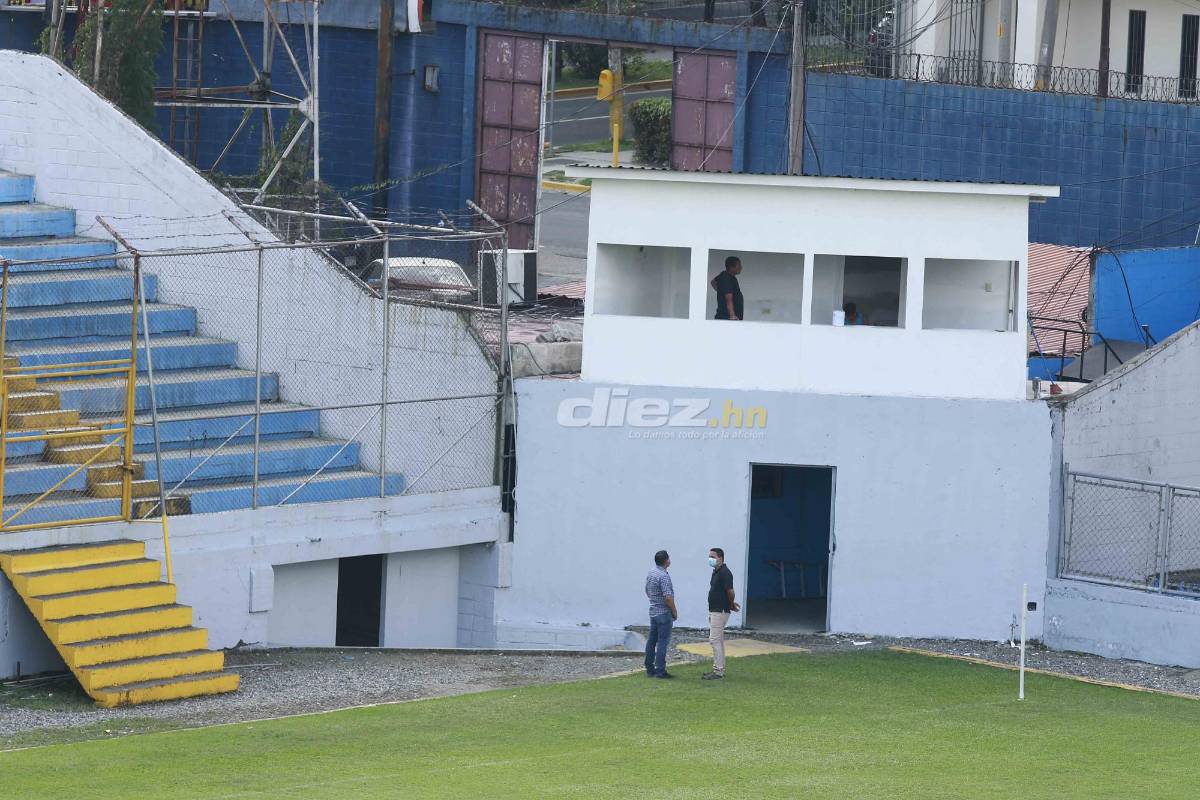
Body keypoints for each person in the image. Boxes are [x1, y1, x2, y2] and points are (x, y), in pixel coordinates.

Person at [703, 547, 739, 680]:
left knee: (714, 640)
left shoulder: (725, 572)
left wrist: (731, 604)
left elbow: (730, 591)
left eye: (713, 557)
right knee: (718, 640)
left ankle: (718, 671)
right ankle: (719, 668)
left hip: (720, 611)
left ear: (721, 558)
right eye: (709, 556)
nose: (710, 559)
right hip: (715, 610)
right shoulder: (717, 571)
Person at [644, 550, 678, 679]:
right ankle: (660, 671)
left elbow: (647, 590)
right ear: (666, 561)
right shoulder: (663, 576)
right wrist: (674, 611)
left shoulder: (652, 572)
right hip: (664, 613)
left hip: (653, 611)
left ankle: (649, 667)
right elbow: (668, 597)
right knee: (663, 642)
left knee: (651, 641)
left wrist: (654, 601)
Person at [711, 256, 744, 321]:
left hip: (726, 318)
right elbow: (728, 298)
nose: (741, 267)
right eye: (739, 265)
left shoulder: (725, 275)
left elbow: (713, 282)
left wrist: (721, 292)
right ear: (731, 267)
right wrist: (732, 316)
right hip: (726, 319)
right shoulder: (727, 278)